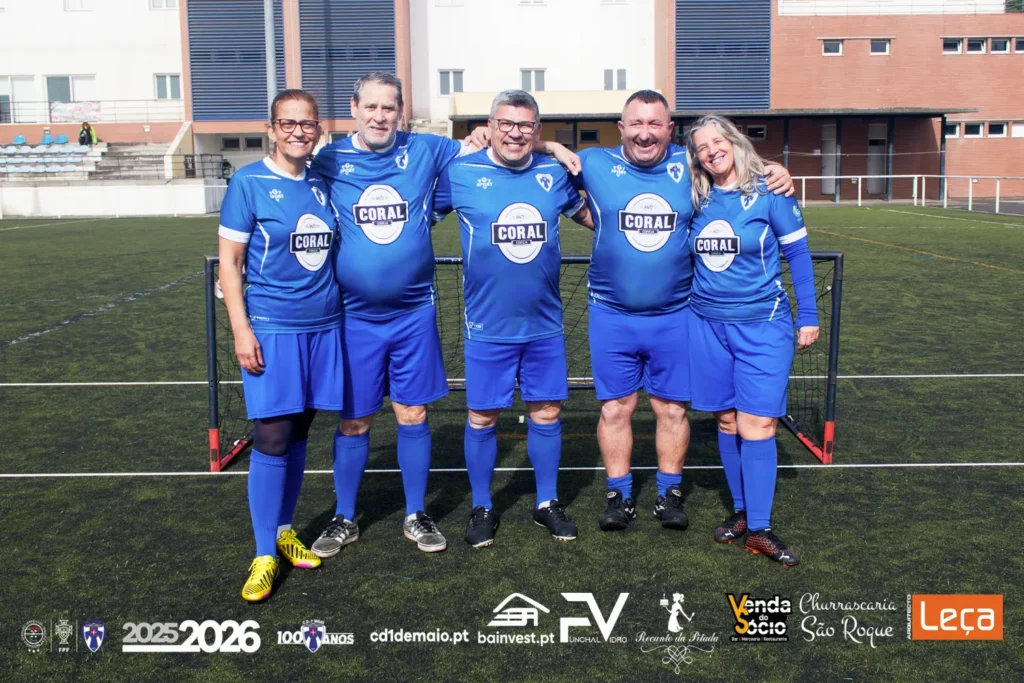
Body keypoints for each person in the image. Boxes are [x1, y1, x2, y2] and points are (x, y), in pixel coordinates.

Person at [309, 74, 578, 557]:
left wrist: (553, 146)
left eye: (388, 107)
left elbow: (500, 146)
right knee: (355, 419)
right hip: (355, 315)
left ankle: (421, 514)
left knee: (415, 413)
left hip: (421, 311)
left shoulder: (432, 151)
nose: (379, 115)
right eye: (370, 106)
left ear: (401, 111)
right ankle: (344, 517)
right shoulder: (329, 160)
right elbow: (295, 209)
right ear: (354, 108)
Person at [569, 90, 793, 532]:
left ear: (670, 130)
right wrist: (544, 144)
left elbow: (731, 167)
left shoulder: (688, 165)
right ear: (621, 127)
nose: (645, 132)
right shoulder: (592, 162)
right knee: (615, 409)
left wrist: (774, 170)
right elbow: (537, 170)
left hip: (676, 314)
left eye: (655, 124)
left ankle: (668, 493)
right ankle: (619, 494)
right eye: (636, 123)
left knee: (671, 410)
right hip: (610, 313)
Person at [433, 90, 592, 548]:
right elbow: (414, 217)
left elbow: (595, 216)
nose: (515, 132)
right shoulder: (461, 172)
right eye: (506, 123)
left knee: (546, 411)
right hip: (487, 326)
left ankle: (546, 503)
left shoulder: (552, 173)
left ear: (537, 131)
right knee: (482, 416)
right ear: (490, 125)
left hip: (544, 324)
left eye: (525, 126)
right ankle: (483, 504)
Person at [218, 89, 341, 601]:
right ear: (272, 129)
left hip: (325, 327)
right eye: (287, 123)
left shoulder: (322, 180)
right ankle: (264, 553)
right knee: (270, 436)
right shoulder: (248, 182)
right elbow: (229, 264)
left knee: (299, 433)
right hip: (271, 327)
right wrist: (242, 330)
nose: (298, 131)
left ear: (317, 129)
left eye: (307, 123)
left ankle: (286, 531)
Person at [685, 114, 819, 567]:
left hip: (763, 326)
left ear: (735, 142)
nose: (711, 151)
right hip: (706, 326)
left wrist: (810, 316)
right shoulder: (694, 195)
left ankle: (760, 529)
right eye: (702, 147)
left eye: (718, 141)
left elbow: (798, 253)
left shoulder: (770, 190)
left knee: (757, 425)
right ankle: (742, 514)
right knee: (726, 421)